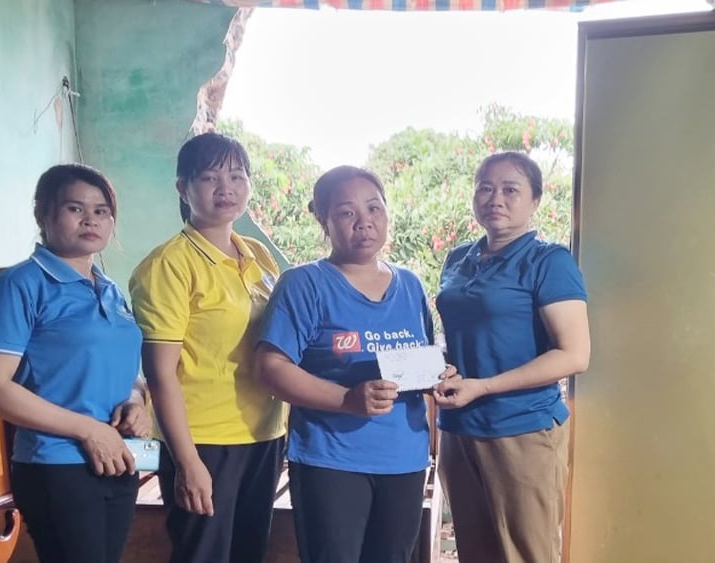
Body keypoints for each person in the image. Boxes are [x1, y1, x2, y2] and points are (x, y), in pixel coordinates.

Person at [256, 165, 456, 563]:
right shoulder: (304, 284)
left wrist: (439, 375)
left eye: (374, 209)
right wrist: (347, 398)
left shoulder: (411, 284)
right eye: (347, 212)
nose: (364, 222)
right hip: (331, 459)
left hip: (404, 458)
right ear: (323, 219)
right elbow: (270, 368)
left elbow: (421, 359)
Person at [0, 163, 150, 563]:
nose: (91, 219)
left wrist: (137, 402)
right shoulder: (19, 286)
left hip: (119, 456)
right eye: (75, 208)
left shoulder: (110, 289)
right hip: (58, 464)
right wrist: (87, 430)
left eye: (102, 210)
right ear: (43, 215)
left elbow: (127, 371)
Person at [128, 132, 287, 563]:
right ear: (183, 188)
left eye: (237, 176)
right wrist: (187, 462)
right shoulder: (168, 266)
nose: (226, 188)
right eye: (211, 177)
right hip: (205, 440)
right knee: (204, 555)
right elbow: (160, 374)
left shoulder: (256, 254)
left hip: (265, 433)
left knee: (248, 553)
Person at [432, 151, 591, 563]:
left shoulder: (547, 261)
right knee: (475, 551)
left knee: (526, 554)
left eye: (510, 189)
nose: (495, 199)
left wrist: (484, 386)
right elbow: (467, 338)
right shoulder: (457, 260)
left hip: (521, 430)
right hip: (459, 429)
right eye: (485, 187)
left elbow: (575, 355)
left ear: (535, 201)